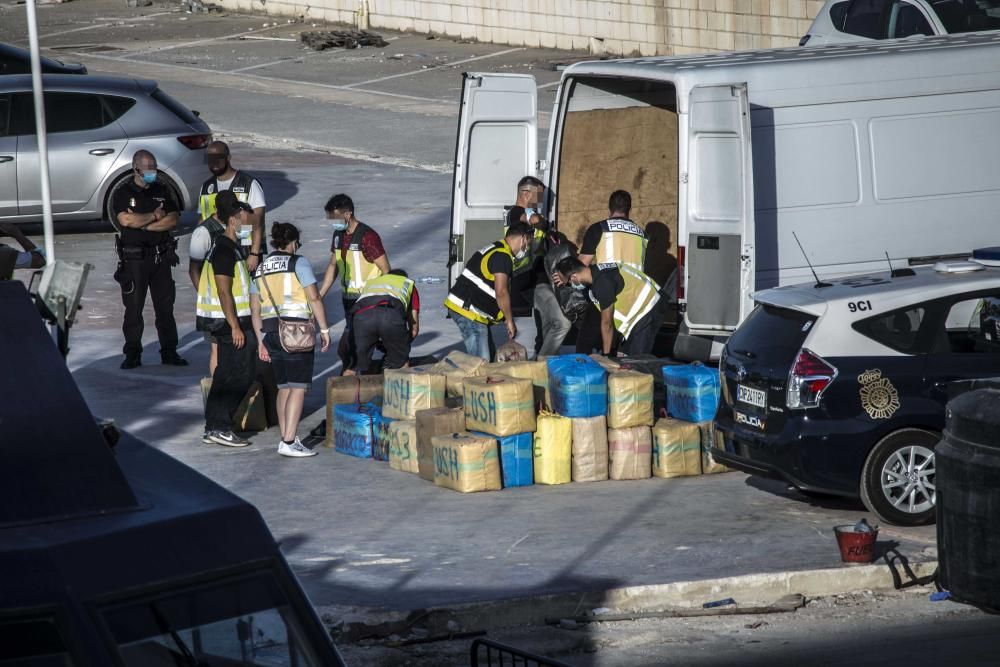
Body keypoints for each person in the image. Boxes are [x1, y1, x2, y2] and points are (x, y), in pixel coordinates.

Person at [251, 222, 331, 458]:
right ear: (294, 242)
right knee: (298, 387)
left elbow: (254, 309)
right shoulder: (299, 262)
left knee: (283, 387)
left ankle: (285, 437)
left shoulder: (262, 267)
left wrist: (260, 340)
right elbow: (314, 298)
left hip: (270, 332)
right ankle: (288, 441)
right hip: (296, 331)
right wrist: (324, 330)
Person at [112, 149, 186, 370]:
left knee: (165, 307)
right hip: (134, 259)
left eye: (154, 168)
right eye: (148, 169)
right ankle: (133, 353)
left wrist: (142, 224)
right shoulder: (123, 192)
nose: (153, 173)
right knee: (133, 309)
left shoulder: (163, 189)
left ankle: (169, 351)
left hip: (160, 257)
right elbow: (125, 220)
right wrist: (154, 217)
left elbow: (172, 220)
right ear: (136, 169)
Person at [195, 192, 257, 447]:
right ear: (233, 221)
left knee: (224, 374)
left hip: (227, 320)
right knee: (239, 374)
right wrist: (234, 326)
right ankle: (220, 426)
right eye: (244, 220)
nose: (248, 226)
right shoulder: (223, 250)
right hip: (227, 322)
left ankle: (213, 426)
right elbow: (223, 290)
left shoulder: (230, 248)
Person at [566, 189, 648, 354]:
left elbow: (582, 264)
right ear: (629, 209)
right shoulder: (641, 234)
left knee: (585, 342)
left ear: (609, 208)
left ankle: (585, 373)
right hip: (633, 299)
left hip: (606, 290)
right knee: (620, 351)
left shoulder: (600, 228)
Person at [318, 194, 391, 374]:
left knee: (351, 350)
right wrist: (319, 296)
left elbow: (386, 270)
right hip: (349, 301)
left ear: (348, 214)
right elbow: (333, 265)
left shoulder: (368, 237)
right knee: (346, 350)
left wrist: (380, 298)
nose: (333, 222)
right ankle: (358, 377)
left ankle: (351, 384)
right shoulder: (338, 236)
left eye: (335, 218)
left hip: (367, 302)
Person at [445, 222, 532, 361]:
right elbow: (501, 291)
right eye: (529, 243)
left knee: (489, 358)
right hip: (468, 311)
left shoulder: (496, 248)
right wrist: (509, 320)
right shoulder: (502, 256)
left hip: (470, 310)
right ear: (523, 238)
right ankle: (475, 382)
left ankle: (483, 380)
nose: (527, 248)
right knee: (482, 361)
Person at [505, 176, 571, 357]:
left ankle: (541, 361)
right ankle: (544, 362)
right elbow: (530, 218)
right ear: (526, 194)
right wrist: (539, 220)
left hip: (538, 278)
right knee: (560, 322)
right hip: (528, 280)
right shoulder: (516, 212)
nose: (541, 201)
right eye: (538, 196)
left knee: (546, 325)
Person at [554, 256, 662, 357]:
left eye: (568, 284)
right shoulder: (593, 273)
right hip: (638, 315)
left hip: (649, 308)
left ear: (573, 278)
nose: (570, 287)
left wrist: (606, 356)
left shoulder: (602, 283)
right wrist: (564, 280)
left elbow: (607, 323)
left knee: (635, 362)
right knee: (623, 359)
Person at [198, 141, 267, 273]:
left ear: (228, 158)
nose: (214, 164)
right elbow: (203, 219)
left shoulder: (249, 183)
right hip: (217, 253)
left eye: (218, 159)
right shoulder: (206, 187)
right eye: (210, 160)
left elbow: (259, 221)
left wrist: (254, 254)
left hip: (245, 252)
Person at [351, 269, 420, 374]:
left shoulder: (373, 283)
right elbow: (414, 330)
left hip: (361, 318)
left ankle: (348, 383)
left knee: (353, 366)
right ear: (404, 278)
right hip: (390, 315)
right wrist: (400, 346)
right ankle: (401, 385)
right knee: (401, 364)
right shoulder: (408, 284)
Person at [188, 198, 228, 376]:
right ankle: (217, 393)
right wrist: (205, 294)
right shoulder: (203, 232)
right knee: (217, 350)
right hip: (215, 306)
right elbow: (193, 269)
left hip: (233, 302)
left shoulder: (236, 228)